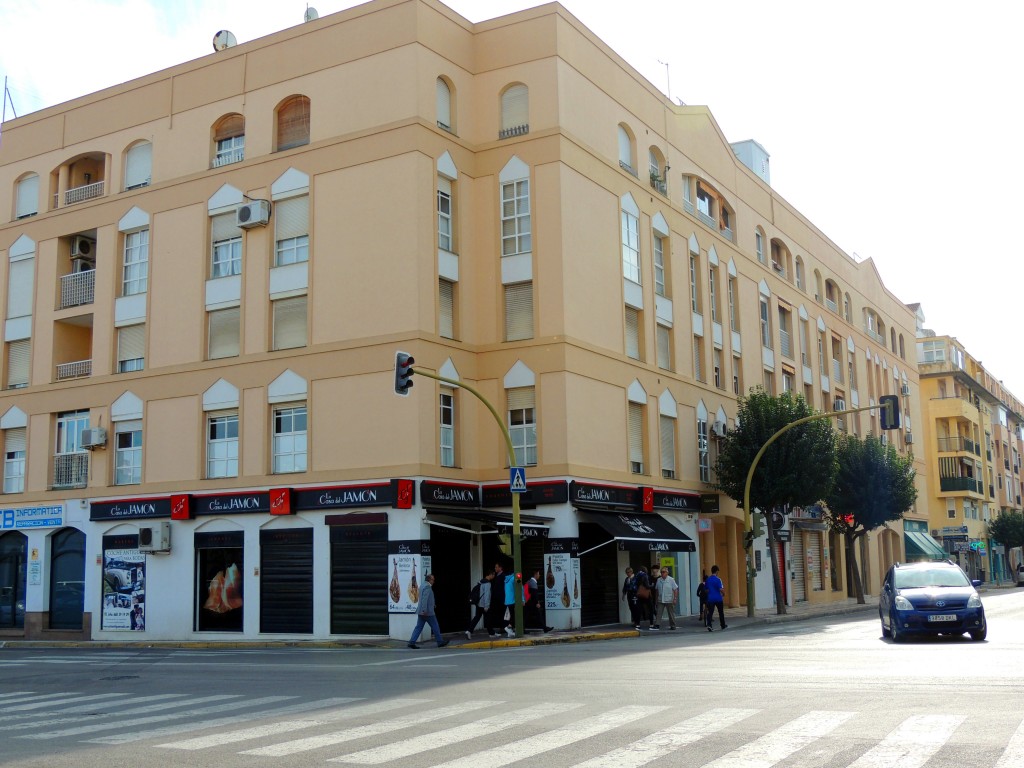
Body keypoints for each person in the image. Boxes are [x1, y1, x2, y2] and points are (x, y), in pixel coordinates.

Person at [408, 573, 449, 649]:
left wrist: (432, 604)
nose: (434, 581)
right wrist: (424, 610)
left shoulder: (422, 585)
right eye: (433, 580)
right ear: (429, 580)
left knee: (418, 627)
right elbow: (425, 599)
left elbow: (425, 598)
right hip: (427, 612)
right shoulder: (427, 587)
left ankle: (412, 642)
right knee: (435, 626)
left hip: (421, 611)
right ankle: (440, 642)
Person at [465, 571, 493, 639]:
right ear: (490, 574)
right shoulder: (487, 583)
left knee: (477, 617)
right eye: (493, 575)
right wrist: (487, 605)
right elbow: (487, 595)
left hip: (478, 603)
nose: (493, 577)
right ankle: (492, 633)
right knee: (488, 618)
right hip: (484, 605)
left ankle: (469, 631)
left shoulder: (481, 582)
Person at [525, 569, 553, 633]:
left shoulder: (530, 581)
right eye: (538, 574)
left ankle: (545, 628)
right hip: (531, 603)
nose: (539, 575)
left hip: (530, 602)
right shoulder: (533, 582)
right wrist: (537, 602)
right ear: (535, 574)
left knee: (534, 615)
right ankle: (544, 628)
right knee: (529, 615)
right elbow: (534, 594)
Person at [705, 564, 727, 632]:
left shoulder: (708, 580)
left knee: (710, 612)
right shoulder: (718, 579)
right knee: (721, 612)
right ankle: (723, 625)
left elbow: (706, 590)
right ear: (717, 571)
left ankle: (709, 625)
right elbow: (721, 589)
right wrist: (724, 594)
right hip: (718, 598)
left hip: (710, 598)